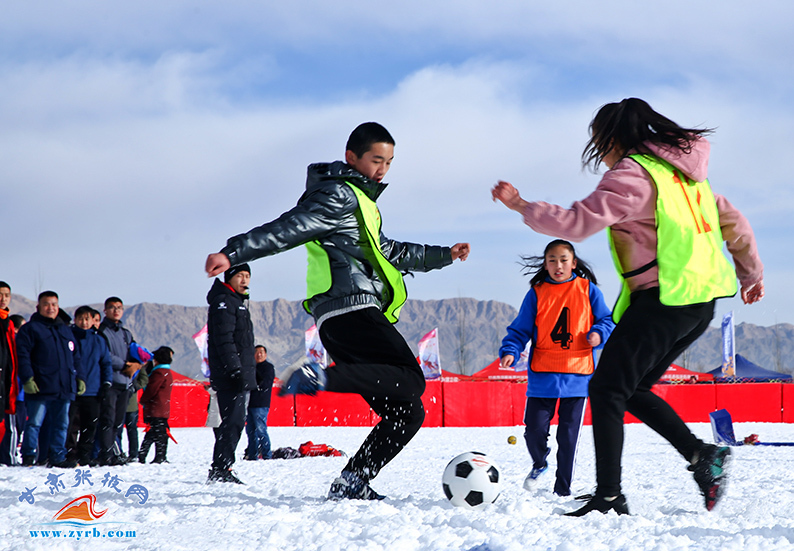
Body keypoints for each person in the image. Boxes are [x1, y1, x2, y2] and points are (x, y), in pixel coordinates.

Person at [491, 98, 764, 516]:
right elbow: (734, 221)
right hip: (698, 302)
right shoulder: (686, 178)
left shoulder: (634, 174)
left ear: (613, 138)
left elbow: (577, 223)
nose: (600, 152)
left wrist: (522, 206)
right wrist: (751, 274)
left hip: (663, 300)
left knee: (606, 389)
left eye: (600, 142)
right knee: (630, 389)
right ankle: (701, 457)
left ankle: (609, 496)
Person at [204, 122, 470, 500]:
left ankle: (353, 480)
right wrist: (233, 252)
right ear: (352, 157)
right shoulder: (337, 196)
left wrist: (444, 255)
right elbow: (289, 228)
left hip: (345, 318)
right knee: (413, 378)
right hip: (352, 311)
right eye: (376, 160)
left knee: (407, 412)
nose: (382, 170)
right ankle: (319, 378)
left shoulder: (362, 203)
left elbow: (388, 251)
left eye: (389, 162)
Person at [499, 240, 614, 497]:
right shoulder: (537, 293)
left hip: (578, 375)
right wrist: (510, 350)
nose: (558, 265)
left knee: (568, 438)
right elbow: (520, 329)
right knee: (534, 431)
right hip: (543, 375)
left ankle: (563, 490)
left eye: (563, 260)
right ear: (545, 264)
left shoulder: (588, 290)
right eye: (552, 260)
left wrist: (598, 333)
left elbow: (607, 320)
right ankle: (540, 463)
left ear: (573, 263)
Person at [16, 291, 83, 467]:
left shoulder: (65, 330)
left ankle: (57, 456)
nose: (50, 308)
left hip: (64, 386)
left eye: (54, 304)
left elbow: (75, 356)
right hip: (41, 386)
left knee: (62, 425)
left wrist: (79, 378)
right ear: (38, 307)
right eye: (47, 304)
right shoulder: (30, 329)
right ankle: (29, 456)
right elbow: (23, 356)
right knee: (34, 424)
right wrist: (28, 379)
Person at [205, 264, 256, 483]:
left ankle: (223, 468)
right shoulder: (224, 303)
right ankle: (220, 469)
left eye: (248, 276)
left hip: (238, 373)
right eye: (240, 276)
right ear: (230, 277)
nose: (245, 280)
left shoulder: (236, 302)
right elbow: (224, 341)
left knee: (235, 421)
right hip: (230, 375)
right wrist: (235, 370)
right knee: (232, 422)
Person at [97, 297, 141, 466]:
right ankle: (106, 454)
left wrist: (138, 362)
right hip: (110, 381)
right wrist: (125, 365)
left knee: (118, 422)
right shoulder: (102, 332)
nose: (116, 310)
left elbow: (134, 352)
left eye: (119, 308)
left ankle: (115, 452)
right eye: (112, 307)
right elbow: (105, 355)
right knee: (108, 420)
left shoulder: (126, 333)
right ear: (105, 311)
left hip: (125, 383)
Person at [67, 306, 113, 466]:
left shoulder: (99, 339)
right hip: (72, 391)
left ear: (93, 320)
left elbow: (106, 363)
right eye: (80, 318)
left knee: (90, 425)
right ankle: (70, 455)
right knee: (71, 426)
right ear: (75, 320)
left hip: (93, 390)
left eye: (87, 319)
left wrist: (107, 383)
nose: (84, 322)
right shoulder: (69, 337)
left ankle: (84, 455)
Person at [138, 346, 175, 464]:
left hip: (156, 409)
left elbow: (150, 390)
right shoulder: (165, 372)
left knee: (155, 433)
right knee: (159, 433)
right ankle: (157, 456)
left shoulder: (159, 373)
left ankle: (149, 456)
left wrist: (143, 400)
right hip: (161, 409)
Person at [0, 281, 21, 465]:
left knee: (5, 423)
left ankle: (6, 458)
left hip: (6, 379)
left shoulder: (8, 322)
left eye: (6, 295)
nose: (2, 299)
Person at [244, 345, 275, 460]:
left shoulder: (268, 367)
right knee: (250, 432)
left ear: (265, 355)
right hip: (249, 404)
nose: (259, 354)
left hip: (261, 404)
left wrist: (253, 372)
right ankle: (252, 455)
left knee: (261, 430)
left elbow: (264, 383)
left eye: (261, 352)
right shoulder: (250, 368)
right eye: (256, 352)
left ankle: (267, 455)